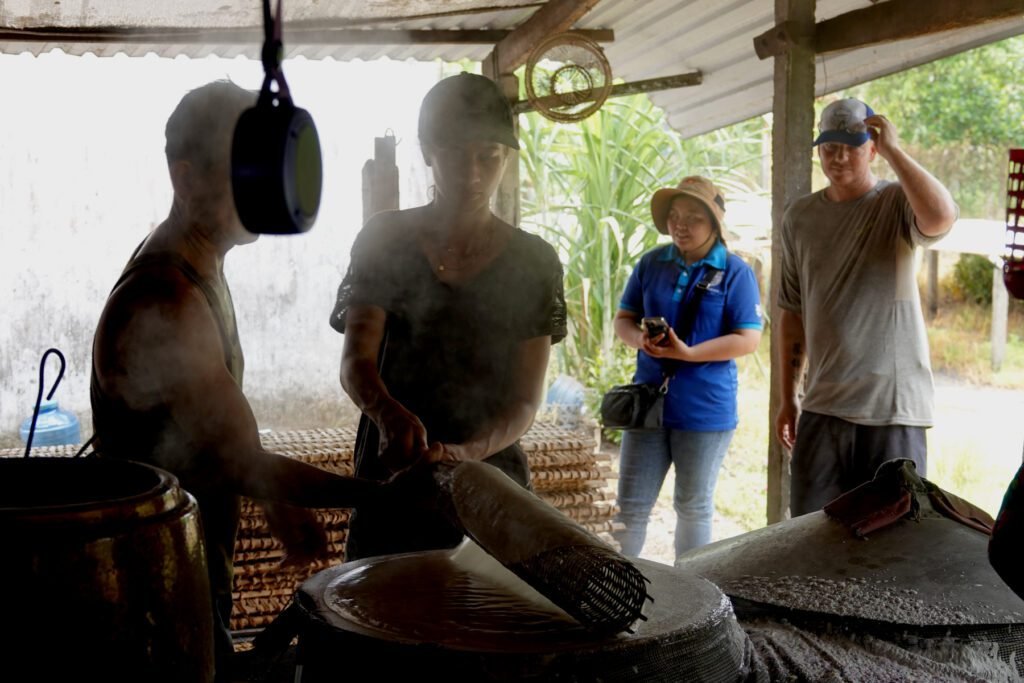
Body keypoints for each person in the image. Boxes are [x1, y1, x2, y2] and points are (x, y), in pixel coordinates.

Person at [90, 80, 392, 681]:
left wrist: (275, 498)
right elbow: (240, 462)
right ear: (185, 178)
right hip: (152, 590)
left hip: (187, 566)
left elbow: (207, 426)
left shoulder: (198, 263)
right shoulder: (167, 295)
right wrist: (387, 497)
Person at [330, 72, 567, 561]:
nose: (473, 175)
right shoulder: (384, 240)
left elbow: (524, 401)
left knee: (488, 602)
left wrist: (465, 455)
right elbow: (356, 362)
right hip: (393, 479)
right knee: (381, 599)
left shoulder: (534, 263)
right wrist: (388, 414)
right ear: (427, 152)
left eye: (489, 157)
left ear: (506, 159)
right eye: (456, 155)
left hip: (491, 490)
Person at [775, 98, 958, 517]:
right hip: (823, 404)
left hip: (892, 408)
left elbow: (941, 216)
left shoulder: (895, 201)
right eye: (829, 147)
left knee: (893, 536)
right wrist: (788, 398)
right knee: (809, 532)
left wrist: (895, 150)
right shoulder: (799, 217)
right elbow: (792, 311)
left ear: (871, 150)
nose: (839, 157)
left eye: (852, 146)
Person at [611, 176, 763, 560]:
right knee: (630, 507)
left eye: (694, 217)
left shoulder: (735, 272)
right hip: (648, 402)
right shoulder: (652, 263)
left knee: (693, 507)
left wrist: (688, 353)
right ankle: (617, 588)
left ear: (715, 223)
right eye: (675, 216)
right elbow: (624, 320)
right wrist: (640, 340)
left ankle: (690, 591)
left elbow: (748, 338)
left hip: (704, 408)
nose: (681, 225)